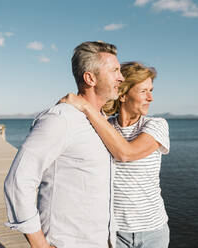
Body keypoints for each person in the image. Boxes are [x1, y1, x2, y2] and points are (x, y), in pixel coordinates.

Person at [3, 41, 124, 248]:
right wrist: (39, 244)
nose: (121, 77)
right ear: (90, 78)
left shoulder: (102, 122)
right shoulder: (61, 119)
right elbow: (18, 181)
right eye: (114, 71)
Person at [60, 61, 170, 248]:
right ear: (123, 95)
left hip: (153, 232)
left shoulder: (156, 125)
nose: (150, 98)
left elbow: (126, 153)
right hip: (114, 232)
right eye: (143, 91)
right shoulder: (105, 125)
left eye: (151, 90)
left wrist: (86, 108)